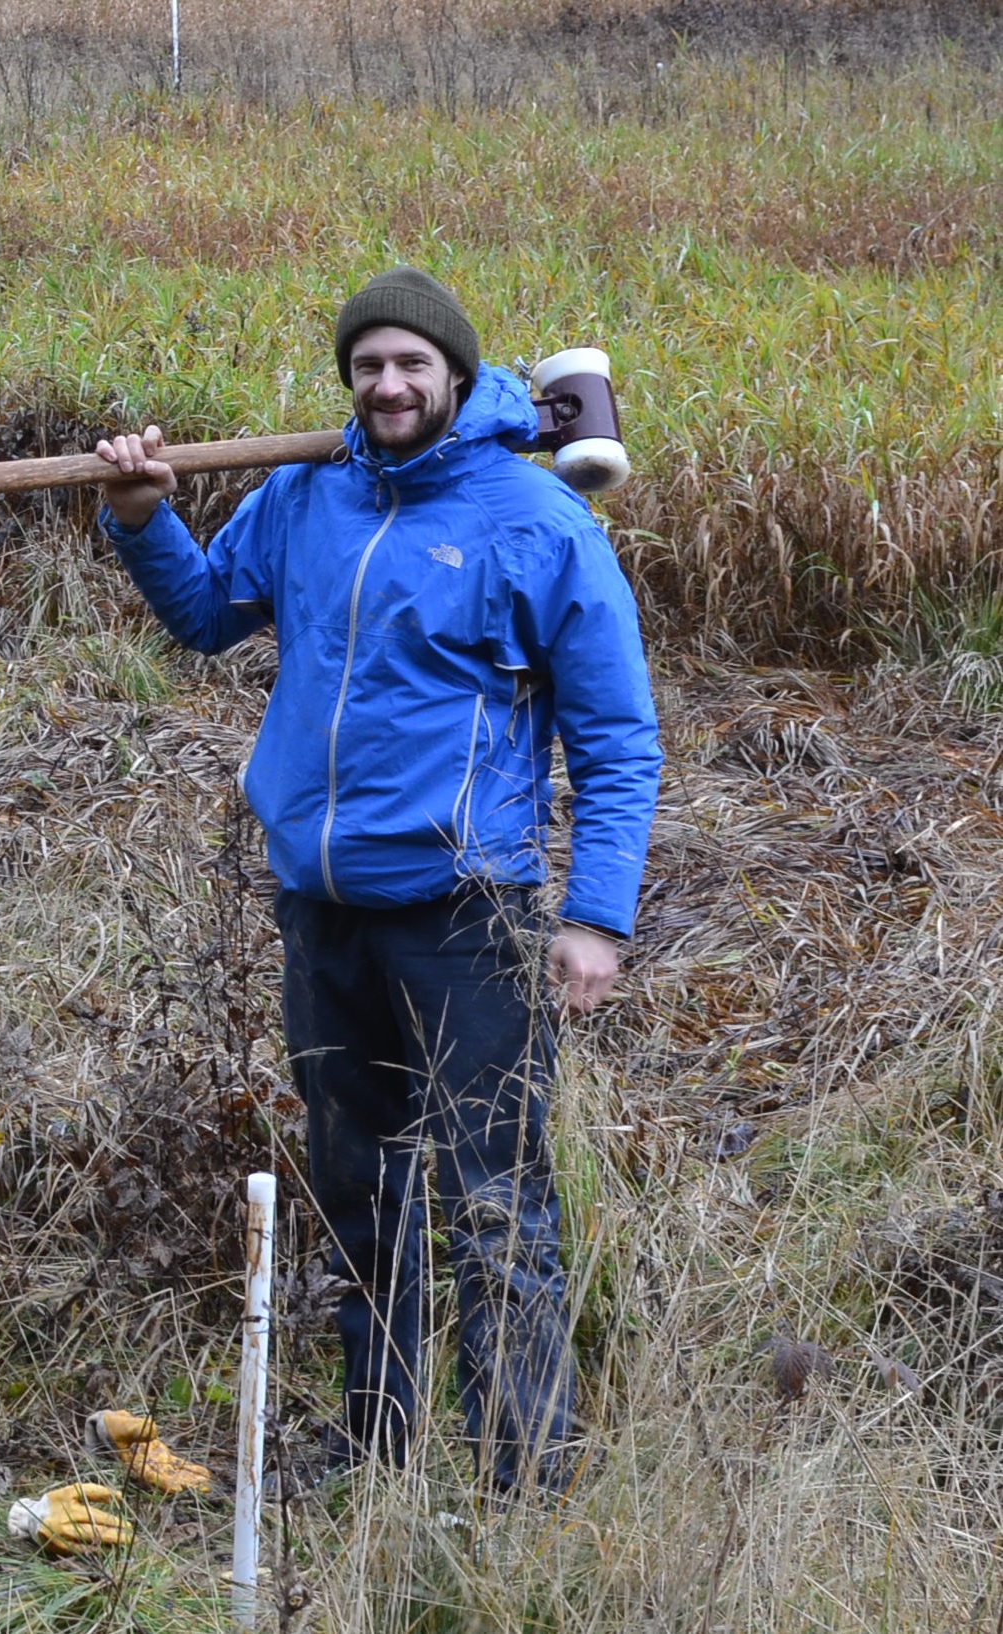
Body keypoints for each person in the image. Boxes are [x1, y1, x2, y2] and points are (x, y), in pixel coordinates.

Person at [95, 267, 661, 1496]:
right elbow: (204, 615)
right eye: (368, 365)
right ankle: (380, 1447)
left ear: (457, 374)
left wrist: (595, 915)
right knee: (358, 1183)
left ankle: (523, 1476)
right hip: (325, 911)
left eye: (412, 363)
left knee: (495, 1201)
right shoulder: (308, 493)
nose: (389, 385)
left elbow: (618, 739)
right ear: (348, 379)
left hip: (471, 915)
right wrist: (144, 518)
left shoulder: (539, 523)